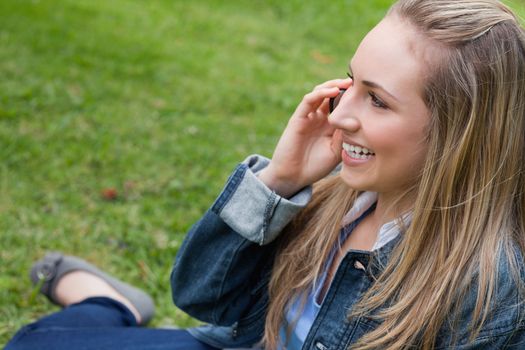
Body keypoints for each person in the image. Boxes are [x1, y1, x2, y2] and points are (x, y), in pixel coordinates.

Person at [6, 0, 525, 349]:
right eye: (352, 81)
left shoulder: (494, 293)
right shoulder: (332, 198)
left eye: (378, 101)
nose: (341, 114)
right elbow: (201, 297)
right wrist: (279, 181)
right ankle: (107, 303)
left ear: (460, 137)